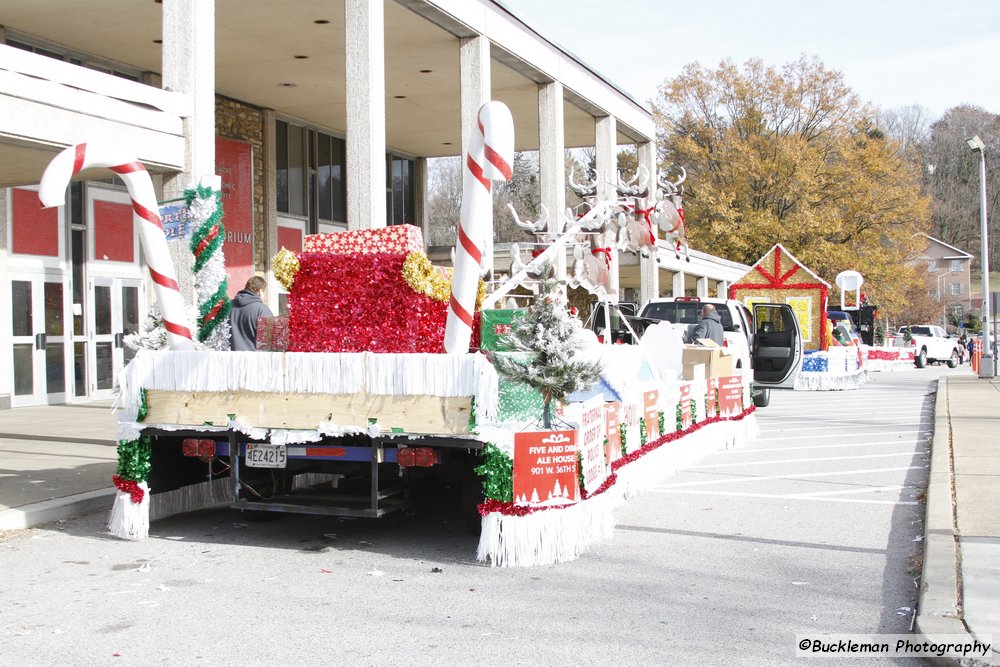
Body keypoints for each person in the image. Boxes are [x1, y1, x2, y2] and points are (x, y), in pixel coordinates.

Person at [230, 275, 273, 351]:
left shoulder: (228, 306)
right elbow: (267, 343)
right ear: (260, 291)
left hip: (228, 359)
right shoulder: (262, 310)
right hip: (253, 360)